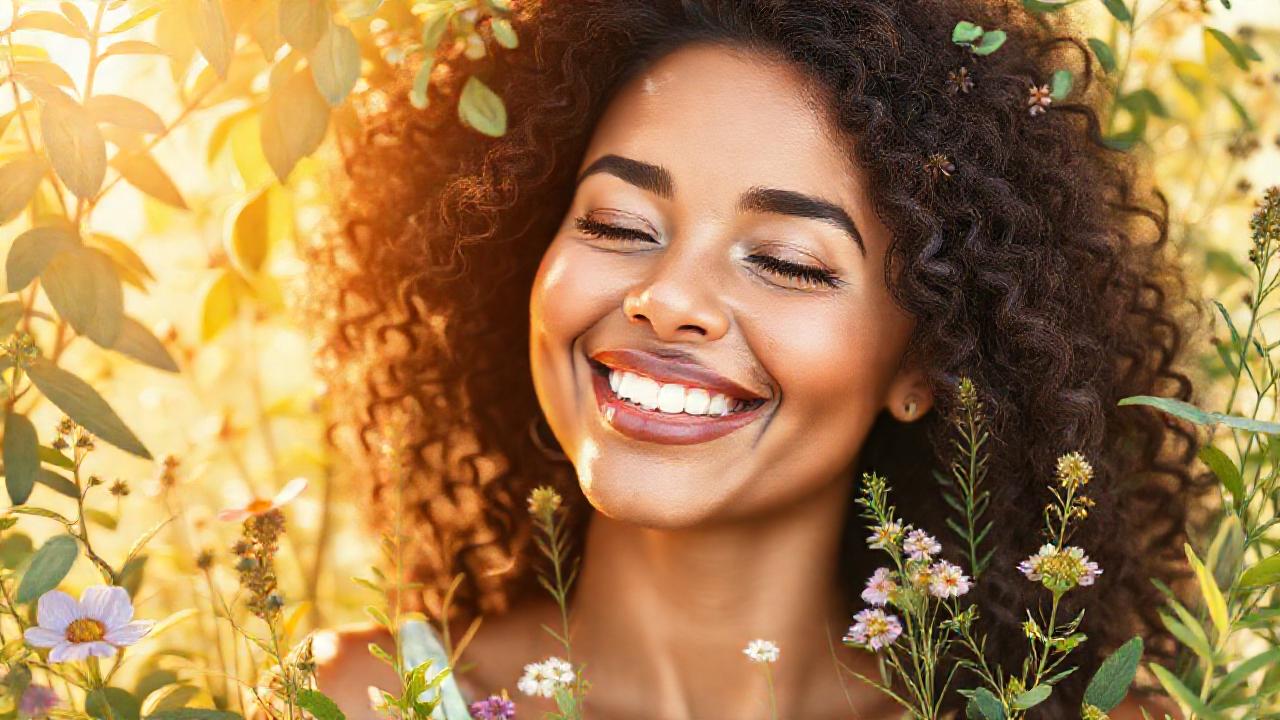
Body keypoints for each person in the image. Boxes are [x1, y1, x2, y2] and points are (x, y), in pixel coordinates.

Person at [304, 1, 1202, 717]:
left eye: (786, 262)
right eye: (616, 225)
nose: (670, 298)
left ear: (925, 363)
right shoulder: (363, 701)